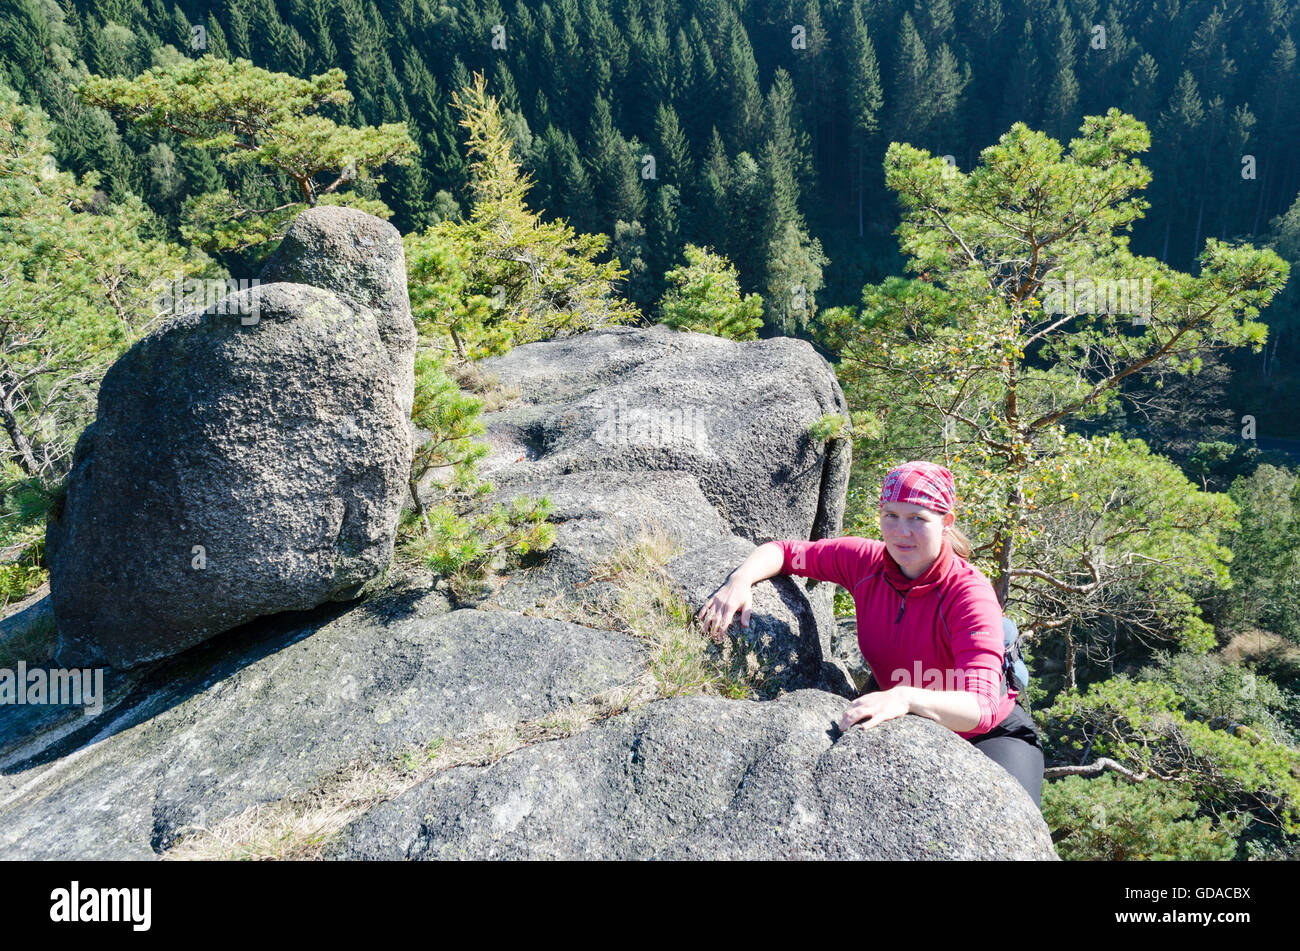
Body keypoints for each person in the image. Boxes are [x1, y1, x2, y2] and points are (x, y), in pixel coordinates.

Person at [693, 460, 1045, 808]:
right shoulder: (864, 562)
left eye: (917, 518)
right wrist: (739, 581)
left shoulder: (969, 595)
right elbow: (783, 552)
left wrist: (905, 698)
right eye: (891, 515)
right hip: (896, 710)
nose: (900, 532)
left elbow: (981, 706)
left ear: (946, 522)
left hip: (989, 735)